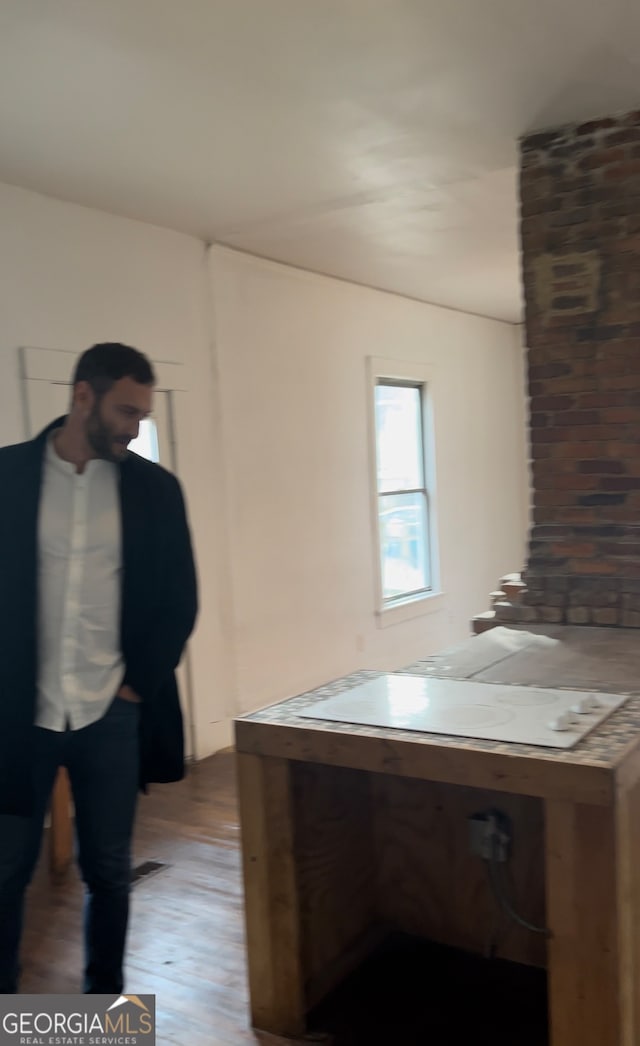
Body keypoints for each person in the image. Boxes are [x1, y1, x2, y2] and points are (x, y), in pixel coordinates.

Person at [0, 343, 198, 994]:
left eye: (142, 415)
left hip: (110, 714)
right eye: (124, 410)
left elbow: (180, 598)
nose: (133, 427)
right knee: (6, 872)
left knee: (110, 872)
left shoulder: (156, 491)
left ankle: (100, 1019)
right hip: (19, 715)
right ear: (82, 395)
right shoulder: (7, 478)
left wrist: (140, 680)